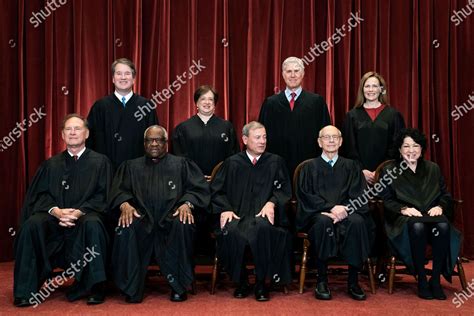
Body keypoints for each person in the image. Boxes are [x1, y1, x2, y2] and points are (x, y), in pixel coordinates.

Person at [13, 114, 112, 307]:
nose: (73, 132)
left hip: (85, 216)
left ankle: (95, 288)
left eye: (77, 128)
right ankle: (25, 291)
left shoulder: (101, 162)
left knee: (94, 224)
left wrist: (78, 212)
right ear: (62, 135)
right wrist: (56, 211)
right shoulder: (51, 165)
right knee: (32, 225)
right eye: (68, 129)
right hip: (55, 218)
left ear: (87, 133)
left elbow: (104, 196)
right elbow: (39, 196)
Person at [109, 125, 210, 303]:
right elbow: (118, 191)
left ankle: (178, 286)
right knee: (126, 226)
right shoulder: (131, 166)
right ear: (144, 143)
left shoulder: (181, 164)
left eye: (158, 140)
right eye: (150, 140)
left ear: (166, 143)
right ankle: (132, 288)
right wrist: (125, 204)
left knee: (183, 223)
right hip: (142, 218)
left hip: (172, 217)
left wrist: (187, 204)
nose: (154, 144)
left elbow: (198, 189)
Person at [210, 121, 292, 302]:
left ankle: (262, 282)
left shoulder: (275, 162)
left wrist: (272, 203)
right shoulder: (232, 163)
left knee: (262, 229)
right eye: (257, 137)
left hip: (263, 215)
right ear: (245, 139)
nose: (262, 141)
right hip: (237, 215)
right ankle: (242, 280)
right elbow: (217, 191)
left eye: (264, 137)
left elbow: (284, 191)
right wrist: (226, 209)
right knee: (230, 231)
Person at [380, 128, 461, 300]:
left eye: (415, 146)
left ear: (422, 148)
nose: (411, 150)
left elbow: (445, 195)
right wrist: (403, 209)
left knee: (443, 225)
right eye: (406, 146)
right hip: (403, 221)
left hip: (432, 217)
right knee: (417, 226)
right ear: (400, 150)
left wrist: (440, 206)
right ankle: (422, 280)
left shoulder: (433, 168)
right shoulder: (390, 170)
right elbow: (386, 200)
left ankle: (436, 279)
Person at [296, 125, 374, 301]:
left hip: (349, 211)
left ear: (340, 141)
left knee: (357, 223)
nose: (331, 140)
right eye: (326, 137)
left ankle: (353, 282)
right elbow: (306, 196)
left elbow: (360, 194)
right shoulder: (309, 168)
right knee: (323, 223)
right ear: (319, 142)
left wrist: (345, 209)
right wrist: (331, 208)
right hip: (319, 213)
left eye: (335, 137)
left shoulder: (352, 166)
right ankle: (322, 281)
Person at [258, 56, 331, 177]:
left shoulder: (316, 102)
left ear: (303, 74)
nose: (293, 75)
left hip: (310, 166)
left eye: (296, 71)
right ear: (283, 74)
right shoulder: (270, 103)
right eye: (289, 71)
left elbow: (326, 134)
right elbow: (261, 136)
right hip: (277, 167)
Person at [86, 58, 159, 170]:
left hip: (140, 172)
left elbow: (154, 140)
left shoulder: (146, 106)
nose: (123, 77)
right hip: (106, 172)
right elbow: (90, 141)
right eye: (119, 73)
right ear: (113, 79)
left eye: (127, 73)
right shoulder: (100, 106)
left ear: (134, 79)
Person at [341, 71, 405, 185]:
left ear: (381, 89)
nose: (371, 90)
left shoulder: (393, 115)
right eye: (367, 86)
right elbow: (349, 148)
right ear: (362, 89)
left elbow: (396, 147)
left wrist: (381, 170)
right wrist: (361, 170)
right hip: (358, 175)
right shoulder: (351, 116)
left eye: (375, 86)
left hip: (387, 175)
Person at [172, 85, 240, 178]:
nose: (207, 102)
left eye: (211, 99)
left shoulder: (227, 127)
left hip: (220, 182)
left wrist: (220, 175)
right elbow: (178, 158)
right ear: (196, 103)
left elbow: (233, 157)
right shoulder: (183, 128)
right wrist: (194, 176)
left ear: (215, 103)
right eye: (203, 99)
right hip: (191, 183)